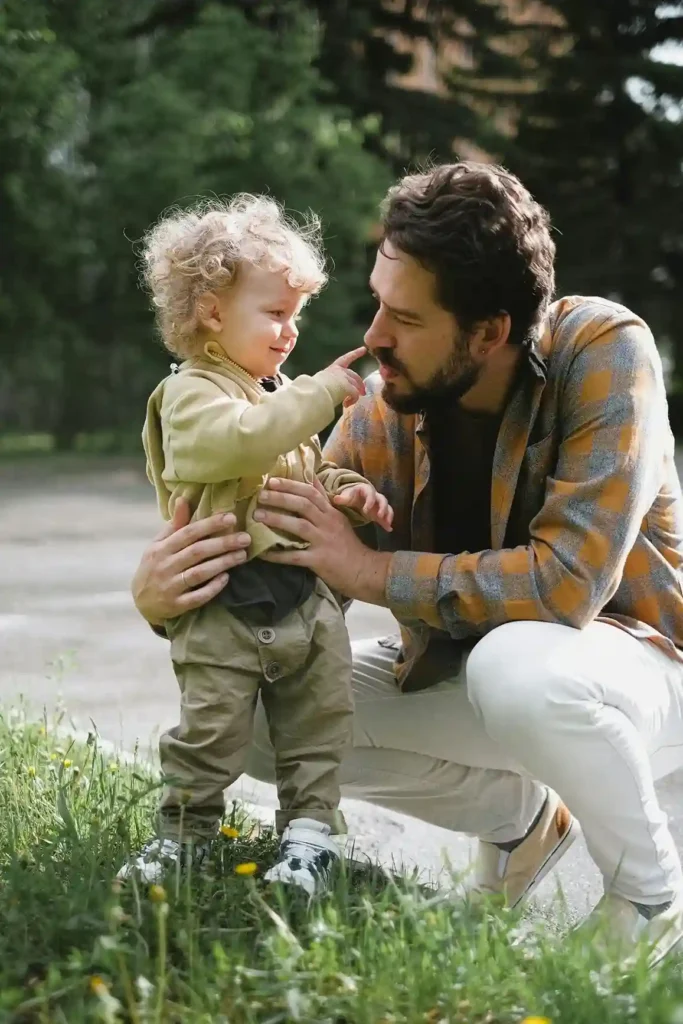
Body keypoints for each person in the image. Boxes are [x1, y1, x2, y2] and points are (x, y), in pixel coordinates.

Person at [132, 163, 683, 965]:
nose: (373, 335)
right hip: (468, 673)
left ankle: (647, 894)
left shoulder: (600, 349)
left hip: (633, 666)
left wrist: (367, 573)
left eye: (404, 317)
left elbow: (565, 585)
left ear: (487, 332)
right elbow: (298, 559)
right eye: (376, 303)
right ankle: (522, 824)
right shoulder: (385, 400)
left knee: (515, 667)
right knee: (258, 719)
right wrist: (162, 595)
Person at [119, 195, 393, 894]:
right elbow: (233, 444)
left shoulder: (268, 395)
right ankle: (184, 835)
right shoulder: (193, 394)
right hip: (224, 607)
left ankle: (307, 840)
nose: (290, 331)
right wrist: (323, 393)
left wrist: (343, 488)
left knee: (318, 729)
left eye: (295, 315)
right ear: (211, 311)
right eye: (275, 313)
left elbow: (295, 459)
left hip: (301, 604)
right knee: (208, 733)